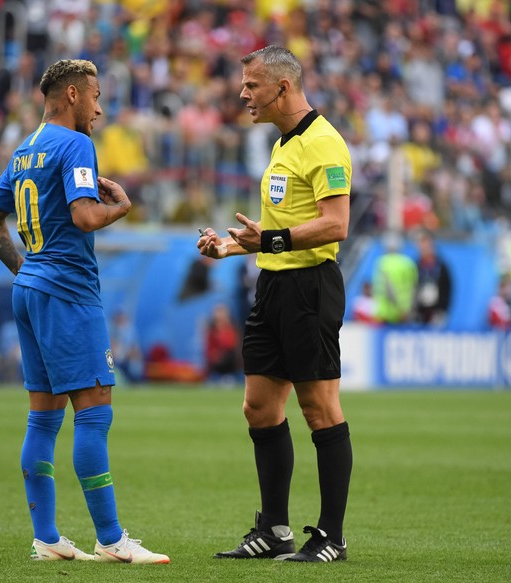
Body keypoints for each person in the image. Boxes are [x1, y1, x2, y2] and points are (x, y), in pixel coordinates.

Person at [0, 59, 168, 565]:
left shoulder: (24, 150)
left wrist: (26, 271)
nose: (100, 109)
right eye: (97, 96)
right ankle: (111, 541)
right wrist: (121, 209)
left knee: (42, 418)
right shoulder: (75, 144)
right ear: (74, 95)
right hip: (67, 291)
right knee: (94, 408)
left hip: (33, 289)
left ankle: (48, 539)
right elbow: (84, 216)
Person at [197, 45, 353, 563]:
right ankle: (275, 530)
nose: (242, 94)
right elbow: (272, 233)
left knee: (319, 407)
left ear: (283, 87)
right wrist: (229, 246)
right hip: (273, 287)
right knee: (259, 407)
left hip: (310, 287)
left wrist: (271, 242)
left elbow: (335, 225)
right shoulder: (283, 144)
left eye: (251, 85)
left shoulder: (325, 143)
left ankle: (331, 536)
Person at [414, 229, 452, 326]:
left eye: (426, 244)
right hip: (420, 312)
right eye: (421, 244)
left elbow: (447, 289)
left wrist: (442, 309)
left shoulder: (441, 267)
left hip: (436, 312)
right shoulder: (416, 266)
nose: (423, 248)